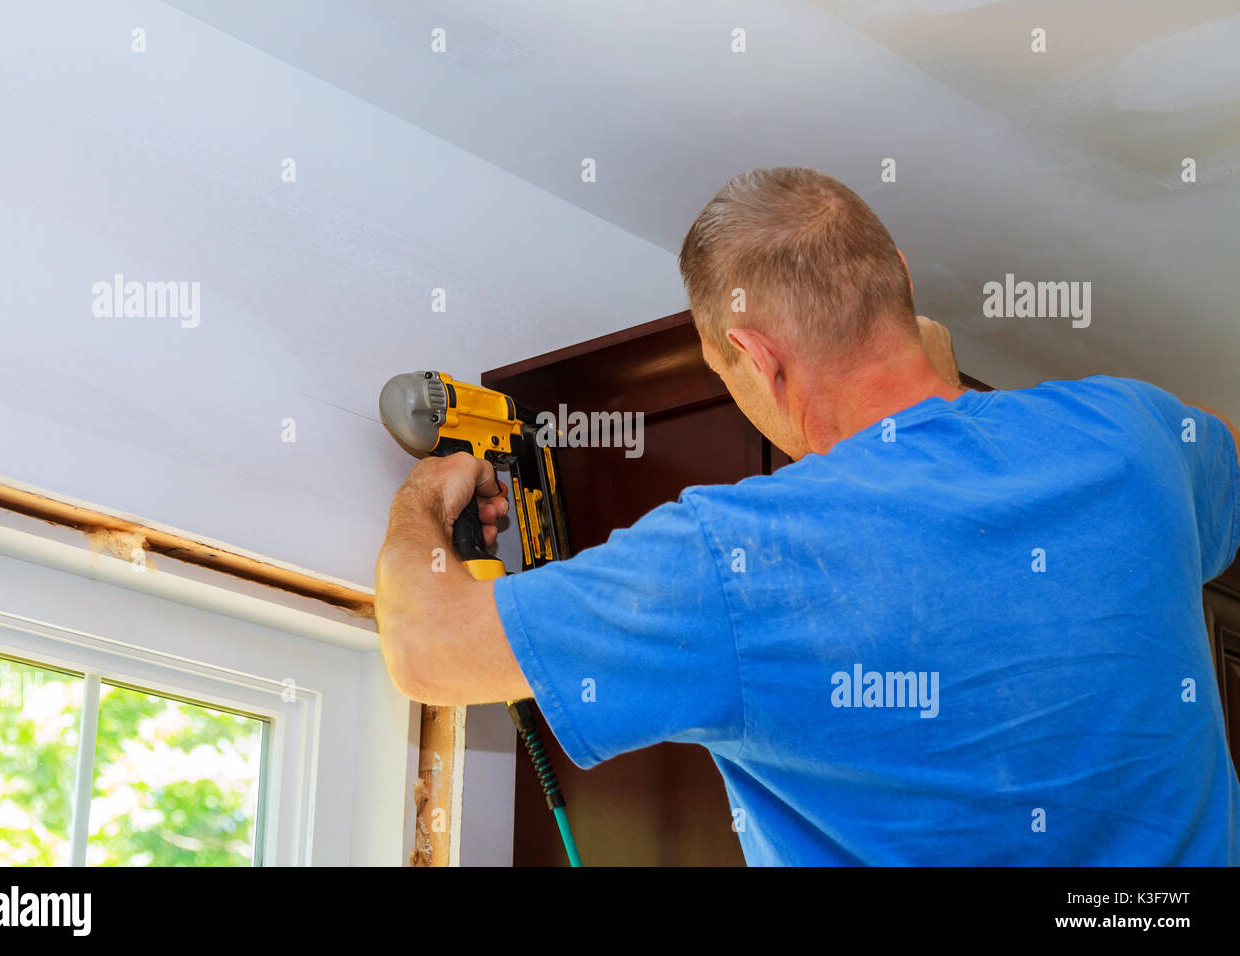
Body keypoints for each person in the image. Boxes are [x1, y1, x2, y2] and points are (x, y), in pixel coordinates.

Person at [375, 167, 1240, 864]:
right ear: (900, 277)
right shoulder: (1134, 434)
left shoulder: (733, 559)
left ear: (754, 357)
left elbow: (427, 646)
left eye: (725, 373)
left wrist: (428, 495)